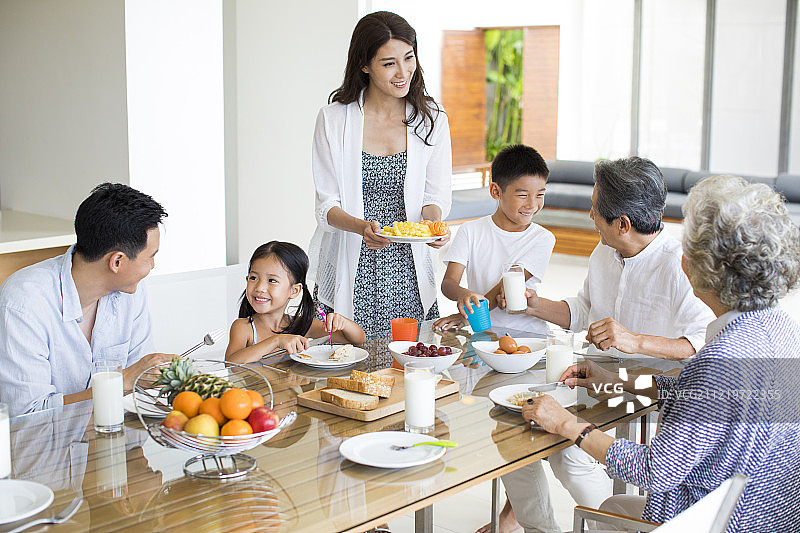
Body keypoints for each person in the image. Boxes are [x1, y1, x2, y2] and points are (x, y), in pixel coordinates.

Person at [526, 175, 800, 529]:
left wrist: (566, 423)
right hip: (765, 515)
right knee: (613, 505)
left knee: (604, 510)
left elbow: (654, 470)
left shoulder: (719, 359)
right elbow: (709, 396)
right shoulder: (782, 329)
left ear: (698, 267)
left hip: (704, 520)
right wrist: (615, 381)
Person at [487, 157, 716, 533]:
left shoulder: (681, 265)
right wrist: (533, 304)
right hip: (594, 377)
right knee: (513, 425)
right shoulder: (603, 253)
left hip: (649, 389)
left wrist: (634, 340)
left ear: (622, 224)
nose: (590, 215)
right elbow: (582, 311)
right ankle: (539, 527)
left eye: (596, 210)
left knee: (568, 456)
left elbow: (701, 343)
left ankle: (611, 526)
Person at [309, 11, 452, 339]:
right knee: (345, 360)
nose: (403, 72)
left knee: (410, 361)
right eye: (389, 63)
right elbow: (325, 207)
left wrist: (432, 226)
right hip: (350, 257)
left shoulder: (431, 118)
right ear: (364, 65)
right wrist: (362, 228)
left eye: (409, 57)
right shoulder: (334, 120)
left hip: (408, 267)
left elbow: (434, 198)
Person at [0, 183, 173, 416]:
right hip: (45, 447)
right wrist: (120, 381)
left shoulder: (130, 292)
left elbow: (139, 387)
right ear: (117, 261)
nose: (153, 266)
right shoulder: (23, 303)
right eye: (151, 257)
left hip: (114, 438)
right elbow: (28, 415)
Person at [433, 144, 554, 334]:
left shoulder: (542, 238)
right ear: (496, 191)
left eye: (540, 195)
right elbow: (448, 283)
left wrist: (467, 316)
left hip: (530, 334)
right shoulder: (470, 231)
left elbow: (505, 286)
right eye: (523, 195)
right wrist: (463, 294)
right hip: (485, 331)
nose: (532, 204)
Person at [226, 241, 365, 363]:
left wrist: (344, 323)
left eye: (272, 280)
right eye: (254, 278)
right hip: (256, 394)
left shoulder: (300, 324)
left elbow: (357, 339)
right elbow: (231, 364)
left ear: (294, 291)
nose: (259, 288)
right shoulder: (244, 327)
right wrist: (276, 341)